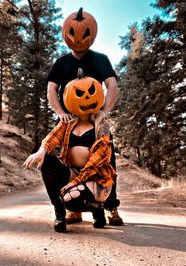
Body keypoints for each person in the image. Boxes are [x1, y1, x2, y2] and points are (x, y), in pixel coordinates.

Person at [46, 8, 123, 226]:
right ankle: (75, 207)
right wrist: (60, 113)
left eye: (84, 32)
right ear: (65, 34)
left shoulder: (100, 60)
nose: (78, 37)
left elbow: (112, 86)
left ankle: (111, 206)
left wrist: (104, 112)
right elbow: (51, 90)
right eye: (73, 32)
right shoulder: (61, 63)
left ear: (92, 33)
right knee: (65, 160)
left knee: (107, 160)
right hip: (68, 121)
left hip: (94, 119)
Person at [23, 69, 116, 232]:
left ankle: (96, 208)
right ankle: (59, 213)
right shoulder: (67, 122)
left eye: (91, 92)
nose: (86, 97)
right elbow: (53, 137)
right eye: (79, 93)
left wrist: (73, 184)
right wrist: (42, 151)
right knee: (47, 162)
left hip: (94, 177)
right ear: (69, 98)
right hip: (72, 172)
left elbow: (97, 160)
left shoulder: (101, 126)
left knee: (70, 198)